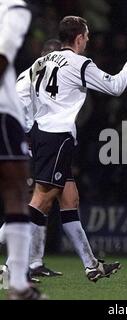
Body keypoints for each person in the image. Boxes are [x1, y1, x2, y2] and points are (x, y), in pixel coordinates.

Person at [26, 16, 127, 282]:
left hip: (42, 133)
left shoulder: (41, 62)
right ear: (79, 37)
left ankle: (91, 265)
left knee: (70, 200)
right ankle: (16, 265)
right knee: (41, 202)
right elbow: (115, 87)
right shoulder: (79, 63)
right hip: (56, 136)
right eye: (88, 35)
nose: (89, 39)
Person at [0, 39, 63, 278]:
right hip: (21, 144)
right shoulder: (30, 78)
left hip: (32, 142)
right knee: (30, 203)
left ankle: (33, 262)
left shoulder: (40, 77)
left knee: (40, 200)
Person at [0, 0, 46, 299]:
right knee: (16, 189)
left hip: (8, 113)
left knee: (17, 189)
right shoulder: (13, 8)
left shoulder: (14, 7)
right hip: (3, 113)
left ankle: (18, 282)